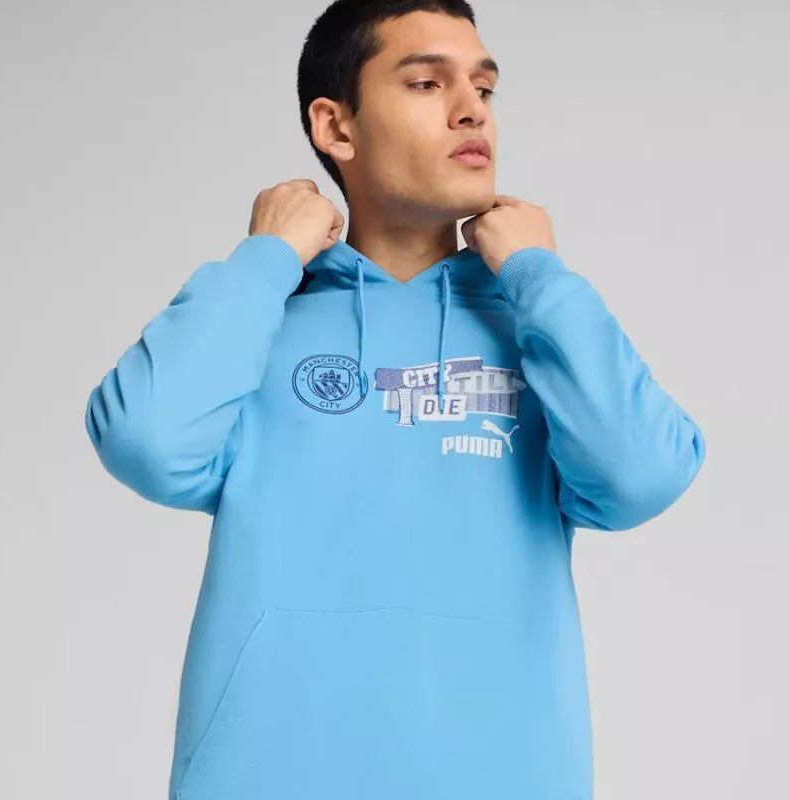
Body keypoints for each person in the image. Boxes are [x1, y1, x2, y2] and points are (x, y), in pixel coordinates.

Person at [84, 1, 707, 798]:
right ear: (335, 127)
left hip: (502, 777)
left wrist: (542, 278)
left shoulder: (540, 325)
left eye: (484, 87)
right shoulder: (260, 315)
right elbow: (147, 443)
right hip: (267, 775)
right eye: (426, 83)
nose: (471, 109)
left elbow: (639, 478)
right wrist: (265, 258)